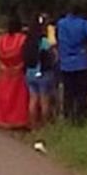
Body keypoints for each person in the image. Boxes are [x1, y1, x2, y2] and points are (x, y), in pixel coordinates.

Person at [56, 5, 87, 125]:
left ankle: (68, 116)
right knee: (81, 92)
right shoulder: (84, 23)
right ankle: (81, 118)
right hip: (82, 62)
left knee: (68, 92)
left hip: (65, 62)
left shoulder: (61, 23)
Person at [24, 16, 56, 151]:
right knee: (44, 101)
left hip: (30, 73)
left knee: (33, 99)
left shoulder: (27, 42)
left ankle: (33, 126)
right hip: (42, 73)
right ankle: (45, 126)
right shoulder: (43, 41)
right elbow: (52, 52)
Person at [0, 17, 29, 130]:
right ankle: (19, 121)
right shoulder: (23, 39)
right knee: (18, 99)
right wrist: (19, 67)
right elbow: (27, 56)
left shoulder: (0, 40)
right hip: (18, 73)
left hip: (5, 73)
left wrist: (2, 66)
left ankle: (3, 120)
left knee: (4, 97)